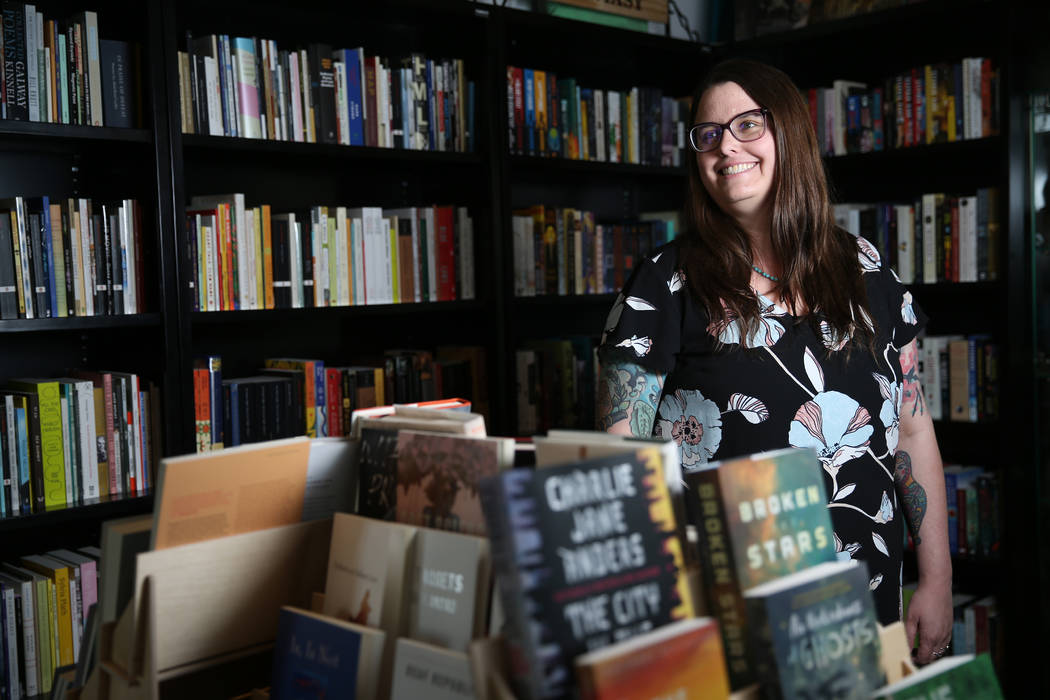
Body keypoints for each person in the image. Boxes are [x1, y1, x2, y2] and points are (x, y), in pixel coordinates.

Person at [595, 59, 952, 665]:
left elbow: (912, 429)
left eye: (747, 125)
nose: (726, 145)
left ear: (789, 133)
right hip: (731, 617)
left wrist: (938, 578)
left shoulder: (867, 268)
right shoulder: (663, 283)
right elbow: (618, 465)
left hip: (869, 604)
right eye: (708, 134)